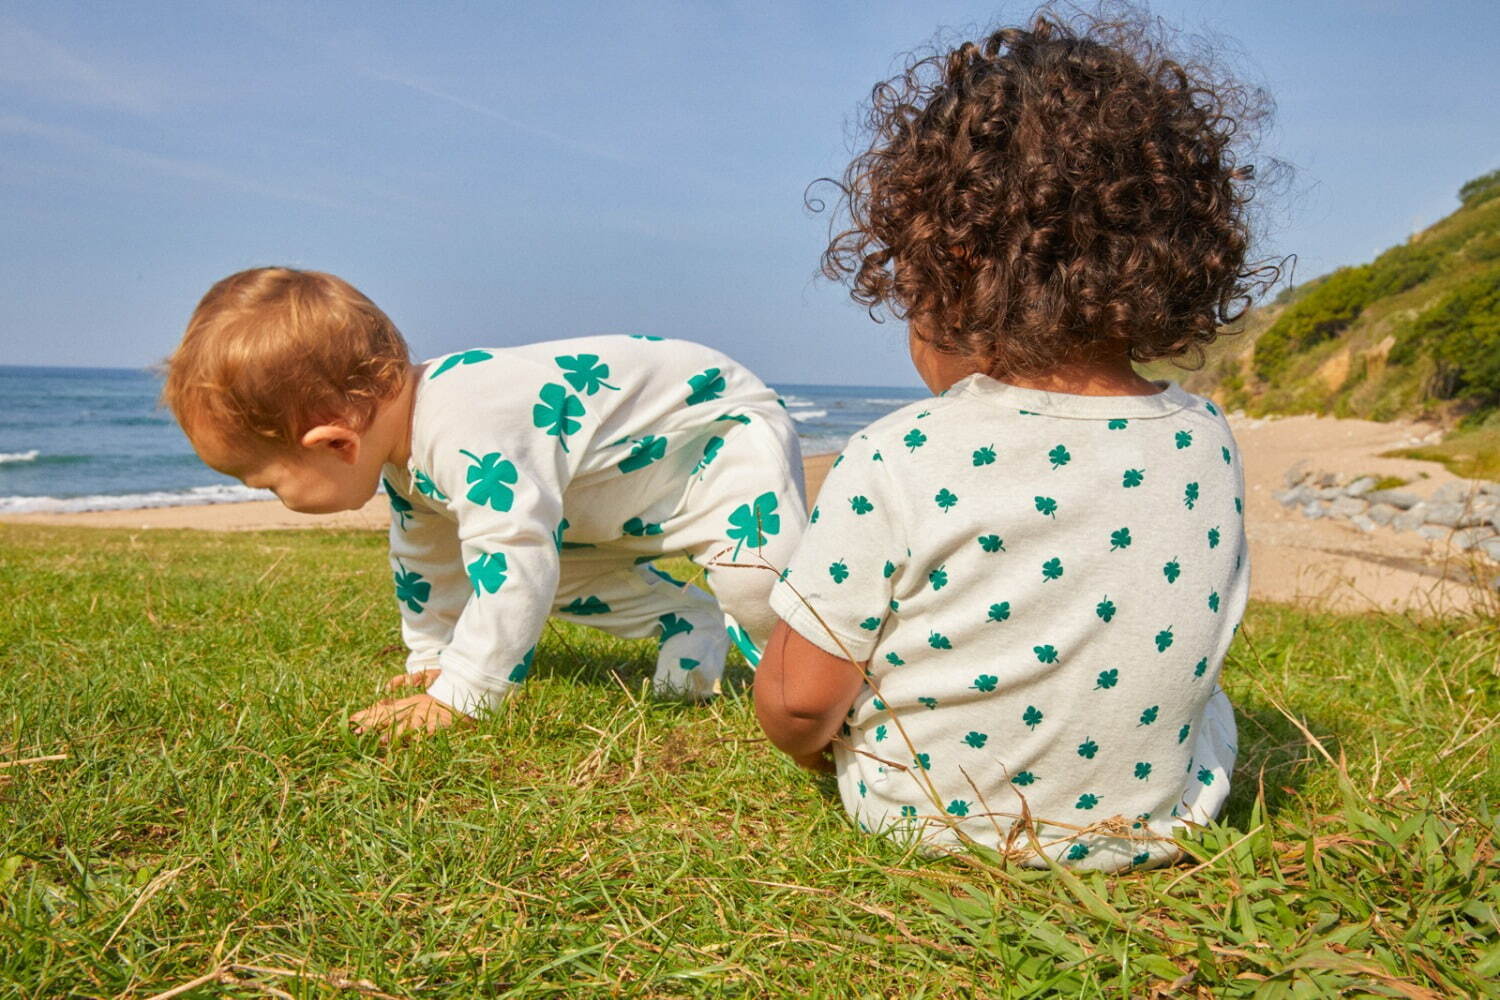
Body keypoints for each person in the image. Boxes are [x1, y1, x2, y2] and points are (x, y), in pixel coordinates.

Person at [754, 7, 1278, 869]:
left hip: (929, 820)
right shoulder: (1204, 437)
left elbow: (800, 706)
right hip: (1148, 829)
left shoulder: (898, 453)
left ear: (945, 264)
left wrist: (809, 737)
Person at [163, 268, 805, 739]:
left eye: (270, 482)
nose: (279, 501)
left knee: (757, 584)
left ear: (334, 442)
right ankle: (686, 625)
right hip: (608, 494)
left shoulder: (465, 420)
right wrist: (434, 662)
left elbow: (514, 551)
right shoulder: (406, 460)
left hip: (714, 440)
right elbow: (426, 564)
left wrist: (466, 694)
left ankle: (819, 683)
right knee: (535, 578)